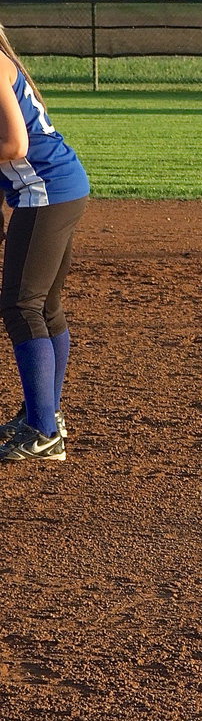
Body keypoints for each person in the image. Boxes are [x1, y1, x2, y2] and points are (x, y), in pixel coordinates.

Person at [0, 24, 90, 462]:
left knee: (21, 305)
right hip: (60, 187)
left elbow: (15, 145)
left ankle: (43, 430)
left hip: (47, 191)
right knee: (44, 306)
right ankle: (44, 415)